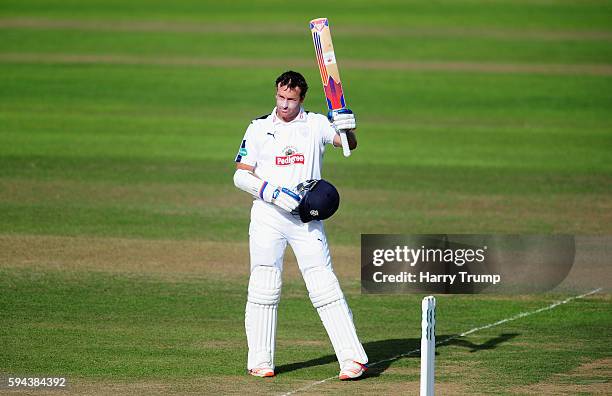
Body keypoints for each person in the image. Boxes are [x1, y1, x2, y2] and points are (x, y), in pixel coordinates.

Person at [233, 71, 368, 380]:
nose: (284, 105)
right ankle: (260, 360)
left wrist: (348, 128)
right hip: (268, 216)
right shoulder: (259, 128)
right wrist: (273, 193)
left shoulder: (317, 124)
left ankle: (352, 360)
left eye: (291, 100)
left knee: (324, 285)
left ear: (301, 99)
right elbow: (241, 175)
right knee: (264, 284)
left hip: (306, 219)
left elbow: (348, 144)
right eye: (280, 97)